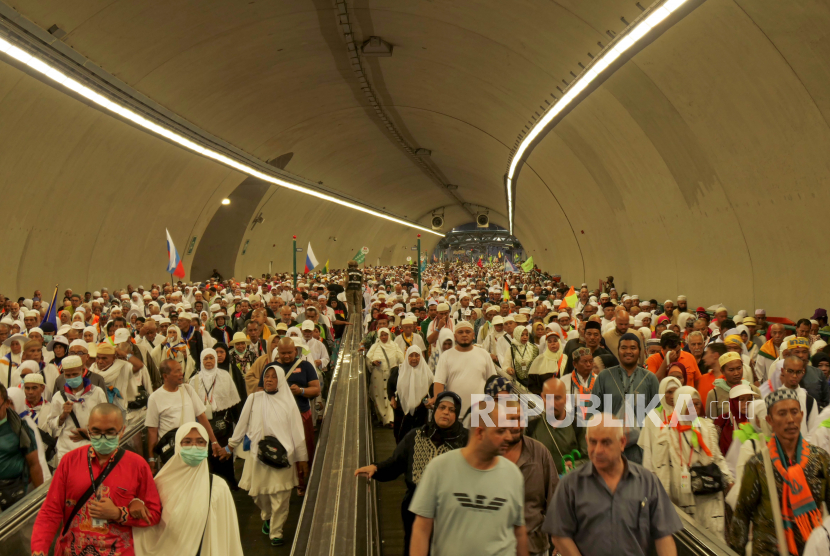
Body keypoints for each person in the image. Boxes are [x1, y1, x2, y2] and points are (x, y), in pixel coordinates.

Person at [31, 403, 162, 555]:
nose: (103, 437)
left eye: (110, 432)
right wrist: (39, 548)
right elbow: (50, 511)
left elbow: (154, 513)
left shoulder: (137, 465)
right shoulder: (70, 461)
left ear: (122, 431)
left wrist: (120, 514)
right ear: (88, 430)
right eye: (96, 432)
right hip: (70, 550)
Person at [545, 412, 682, 555]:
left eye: (606, 442)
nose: (598, 450)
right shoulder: (570, 485)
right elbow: (559, 535)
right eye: (593, 442)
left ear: (622, 443)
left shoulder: (647, 483)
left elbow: (664, 537)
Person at [408, 399, 528, 556]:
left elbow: (519, 531)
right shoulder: (439, 469)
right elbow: (421, 529)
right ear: (480, 432)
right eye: (500, 431)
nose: (508, 436)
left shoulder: (513, 475)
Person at [354, 391, 466, 556]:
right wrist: (376, 468)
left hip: (450, 513)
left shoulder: (465, 441)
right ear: (435, 410)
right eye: (442, 407)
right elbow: (395, 464)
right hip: (416, 508)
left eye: (451, 410)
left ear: (456, 415)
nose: (446, 412)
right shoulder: (416, 436)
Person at [729, 389, 830, 555]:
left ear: (802, 415)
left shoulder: (820, 459)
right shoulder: (758, 465)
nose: (790, 420)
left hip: (811, 550)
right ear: (769, 420)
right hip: (767, 551)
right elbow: (742, 516)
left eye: (794, 412)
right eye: (782, 414)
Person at [227, 364, 308, 547]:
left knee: (281, 495)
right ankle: (267, 516)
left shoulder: (289, 403)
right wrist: (231, 445)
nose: (269, 379)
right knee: (258, 494)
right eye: (266, 376)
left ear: (280, 380)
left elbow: (297, 432)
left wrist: (301, 458)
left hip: (283, 458)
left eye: (273, 377)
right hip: (258, 456)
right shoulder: (254, 399)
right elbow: (242, 424)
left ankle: (276, 531)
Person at [133, 422, 244, 556]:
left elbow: (225, 534)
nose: (194, 447)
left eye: (200, 441)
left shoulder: (218, 488)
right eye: (187, 441)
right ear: (178, 445)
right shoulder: (160, 483)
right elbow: (149, 523)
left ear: (207, 445)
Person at [652, 386, 734, 536]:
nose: (694, 408)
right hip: (684, 497)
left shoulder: (707, 428)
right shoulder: (667, 433)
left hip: (710, 493)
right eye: (689, 404)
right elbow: (662, 470)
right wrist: (663, 502)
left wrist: (728, 479)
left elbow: (717, 457)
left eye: (697, 404)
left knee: (714, 538)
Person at [501, 401, 559, 556]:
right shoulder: (489, 454)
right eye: (511, 419)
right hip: (496, 547)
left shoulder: (540, 453)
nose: (516, 425)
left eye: (520, 418)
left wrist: (560, 537)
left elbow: (556, 501)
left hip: (534, 546)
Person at [145, 359, 225, 473]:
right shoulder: (155, 398)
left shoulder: (187, 389)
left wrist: (214, 441)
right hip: (172, 452)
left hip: (193, 448)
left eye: (181, 370)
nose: (181, 374)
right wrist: (152, 458)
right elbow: (152, 430)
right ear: (165, 376)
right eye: (177, 371)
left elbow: (201, 416)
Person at [592, 333, 659, 464]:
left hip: (641, 449)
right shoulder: (604, 377)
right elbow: (593, 413)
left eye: (633, 348)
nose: (628, 351)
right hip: (609, 446)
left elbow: (657, 416)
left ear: (640, 352)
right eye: (624, 348)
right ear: (618, 351)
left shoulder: (650, 378)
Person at [189, 348, 241, 488]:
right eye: (206, 358)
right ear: (201, 360)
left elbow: (233, 402)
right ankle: (212, 485)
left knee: (225, 453)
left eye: (211, 358)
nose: (209, 361)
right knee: (209, 454)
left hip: (223, 420)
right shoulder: (194, 379)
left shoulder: (224, 376)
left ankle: (229, 482)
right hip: (204, 422)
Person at [45, 355, 109, 462]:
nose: (71, 378)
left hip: (91, 447)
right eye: (68, 375)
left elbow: (106, 420)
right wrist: (62, 416)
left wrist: (88, 433)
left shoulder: (97, 393)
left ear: (83, 371)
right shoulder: (58, 396)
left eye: (75, 374)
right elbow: (51, 424)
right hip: (66, 450)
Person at [432, 321, 497, 420]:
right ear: (455, 336)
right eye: (460, 332)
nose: (464, 335)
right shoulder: (446, 356)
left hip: (481, 412)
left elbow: (492, 382)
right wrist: (440, 406)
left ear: (473, 335)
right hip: (454, 413)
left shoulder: (484, 354)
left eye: (467, 332)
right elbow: (439, 383)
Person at [527, 377, 588, 476]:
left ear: (566, 398)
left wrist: (575, 465)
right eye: (548, 398)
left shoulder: (578, 427)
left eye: (557, 398)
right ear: (542, 397)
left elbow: (590, 459)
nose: (552, 403)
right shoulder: (531, 428)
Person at [0, 383, 43, 510]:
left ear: (7, 403)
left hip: (12, 493)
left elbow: (34, 464)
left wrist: (42, 499)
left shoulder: (20, 429)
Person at [388, 345, 433, 442]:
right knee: (401, 437)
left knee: (420, 437)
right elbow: (391, 386)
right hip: (401, 410)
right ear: (406, 356)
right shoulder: (399, 371)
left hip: (420, 411)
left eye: (417, 355)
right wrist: (392, 399)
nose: (414, 358)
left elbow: (431, 391)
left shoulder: (427, 373)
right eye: (411, 355)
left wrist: (429, 402)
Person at [639, 376, 682, 472]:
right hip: (659, 471)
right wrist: (649, 475)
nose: (673, 396)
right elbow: (647, 451)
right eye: (669, 392)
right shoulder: (653, 416)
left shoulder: (685, 415)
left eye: (676, 392)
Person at [367, 327, 404, 427]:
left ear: (389, 335)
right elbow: (368, 359)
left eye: (386, 335)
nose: (384, 337)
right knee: (379, 396)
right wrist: (373, 363)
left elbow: (401, 359)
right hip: (378, 376)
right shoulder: (375, 347)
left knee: (390, 395)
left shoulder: (394, 346)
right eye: (382, 335)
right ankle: (383, 419)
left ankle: (391, 419)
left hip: (391, 376)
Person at [526, 329, 564, 394]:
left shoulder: (566, 359)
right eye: (549, 342)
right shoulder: (539, 360)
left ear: (559, 342)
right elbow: (532, 384)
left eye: (555, 341)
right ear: (546, 344)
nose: (553, 344)